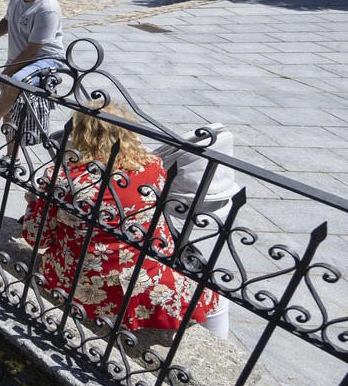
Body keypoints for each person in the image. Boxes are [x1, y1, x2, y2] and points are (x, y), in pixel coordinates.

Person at [22, 103, 226, 336]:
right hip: (148, 279)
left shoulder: (61, 177)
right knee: (219, 300)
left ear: (77, 133)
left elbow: (37, 238)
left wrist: (33, 202)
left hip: (80, 283)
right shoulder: (153, 166)